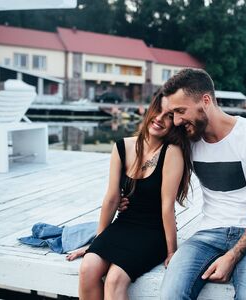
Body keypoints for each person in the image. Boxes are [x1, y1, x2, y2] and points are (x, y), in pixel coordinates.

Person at [120, 69, 246, 299]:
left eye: (180, 111)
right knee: (170, 295)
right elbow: (150, 162)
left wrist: (233, 255)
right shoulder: (187, 141)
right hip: (208, 234)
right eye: (173, 113)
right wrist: (126, 199)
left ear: (205, 101)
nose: (176, 120)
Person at [66, 90, 192, 300]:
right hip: (124, 224)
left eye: (169, 116)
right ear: (150, 110)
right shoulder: (122, 147)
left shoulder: (172, 152)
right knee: (88, 268)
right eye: (158, 111)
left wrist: (172, 252)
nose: (160, 119)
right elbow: (112, 198)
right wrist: (98, 241)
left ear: (175, 124)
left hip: (153, 232)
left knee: (115, 280)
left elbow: (167, 206)